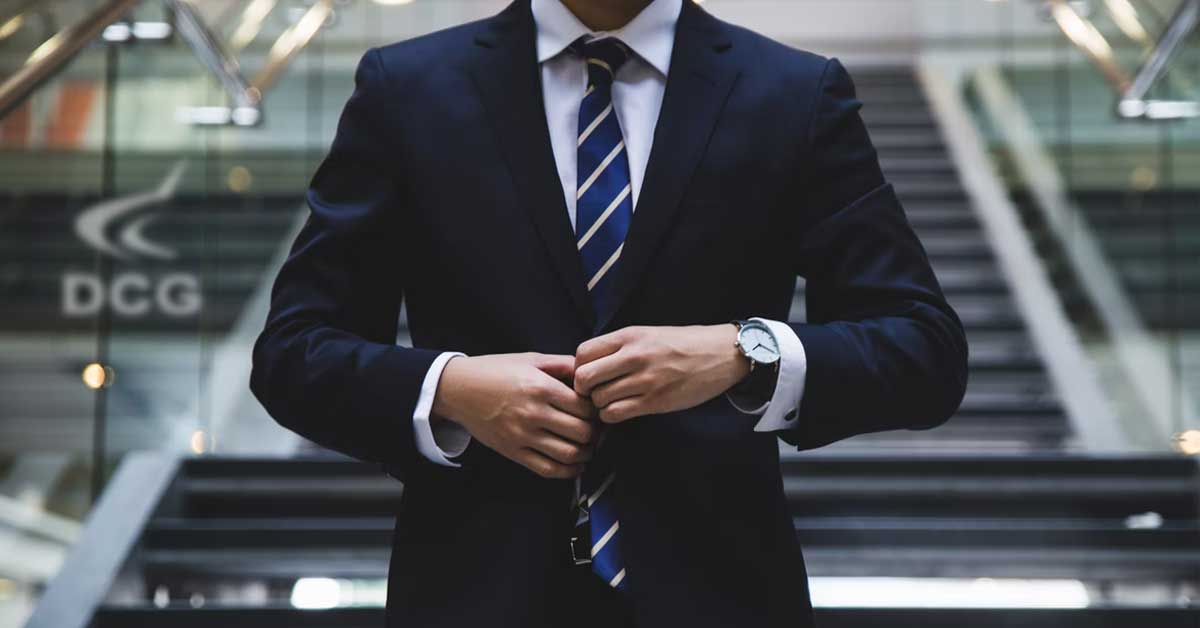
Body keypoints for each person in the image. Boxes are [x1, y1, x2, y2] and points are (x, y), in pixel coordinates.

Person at [250, 0, 968, 626]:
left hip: (722, 595)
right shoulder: (407, 88)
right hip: (472, 592)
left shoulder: (794, 93)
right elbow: (293, 352)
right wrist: (453, 391)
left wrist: (746, 353)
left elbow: (924, 349)